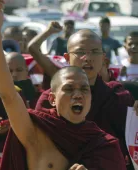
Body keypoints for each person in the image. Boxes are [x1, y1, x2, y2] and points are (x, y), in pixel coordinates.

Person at [0, 2, 127, 169]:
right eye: (68, 89)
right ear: (51, 98)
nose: (78, 95)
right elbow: (8, 95)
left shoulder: (105, 145)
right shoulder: (36, 132)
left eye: (84, 89)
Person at [31, 22, 137, 168]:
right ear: (67, 58)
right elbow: (40, 146)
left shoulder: (119, 96)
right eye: (80, 52)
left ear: (103, 58)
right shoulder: (51, 99)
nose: (88, 58)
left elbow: (130, 144)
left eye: (94, 52)